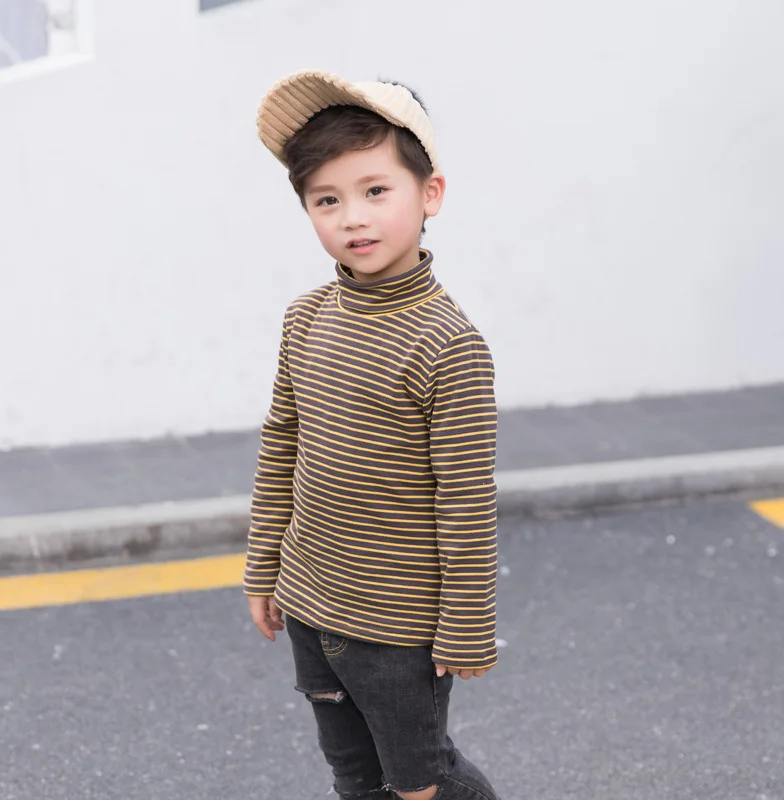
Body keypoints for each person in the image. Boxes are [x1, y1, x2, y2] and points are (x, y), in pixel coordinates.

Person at [243, 69, 500, 800]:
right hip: (308, 600)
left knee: (423, 781)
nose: (352, 217)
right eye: (327, 199)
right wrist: (264, 567)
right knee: (354, 776)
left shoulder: (447, 344)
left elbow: (466, 496)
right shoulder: (306, 318)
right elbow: (282, 447)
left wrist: (467, 623)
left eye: (376, 190)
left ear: (430, 194)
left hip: (397, 627)